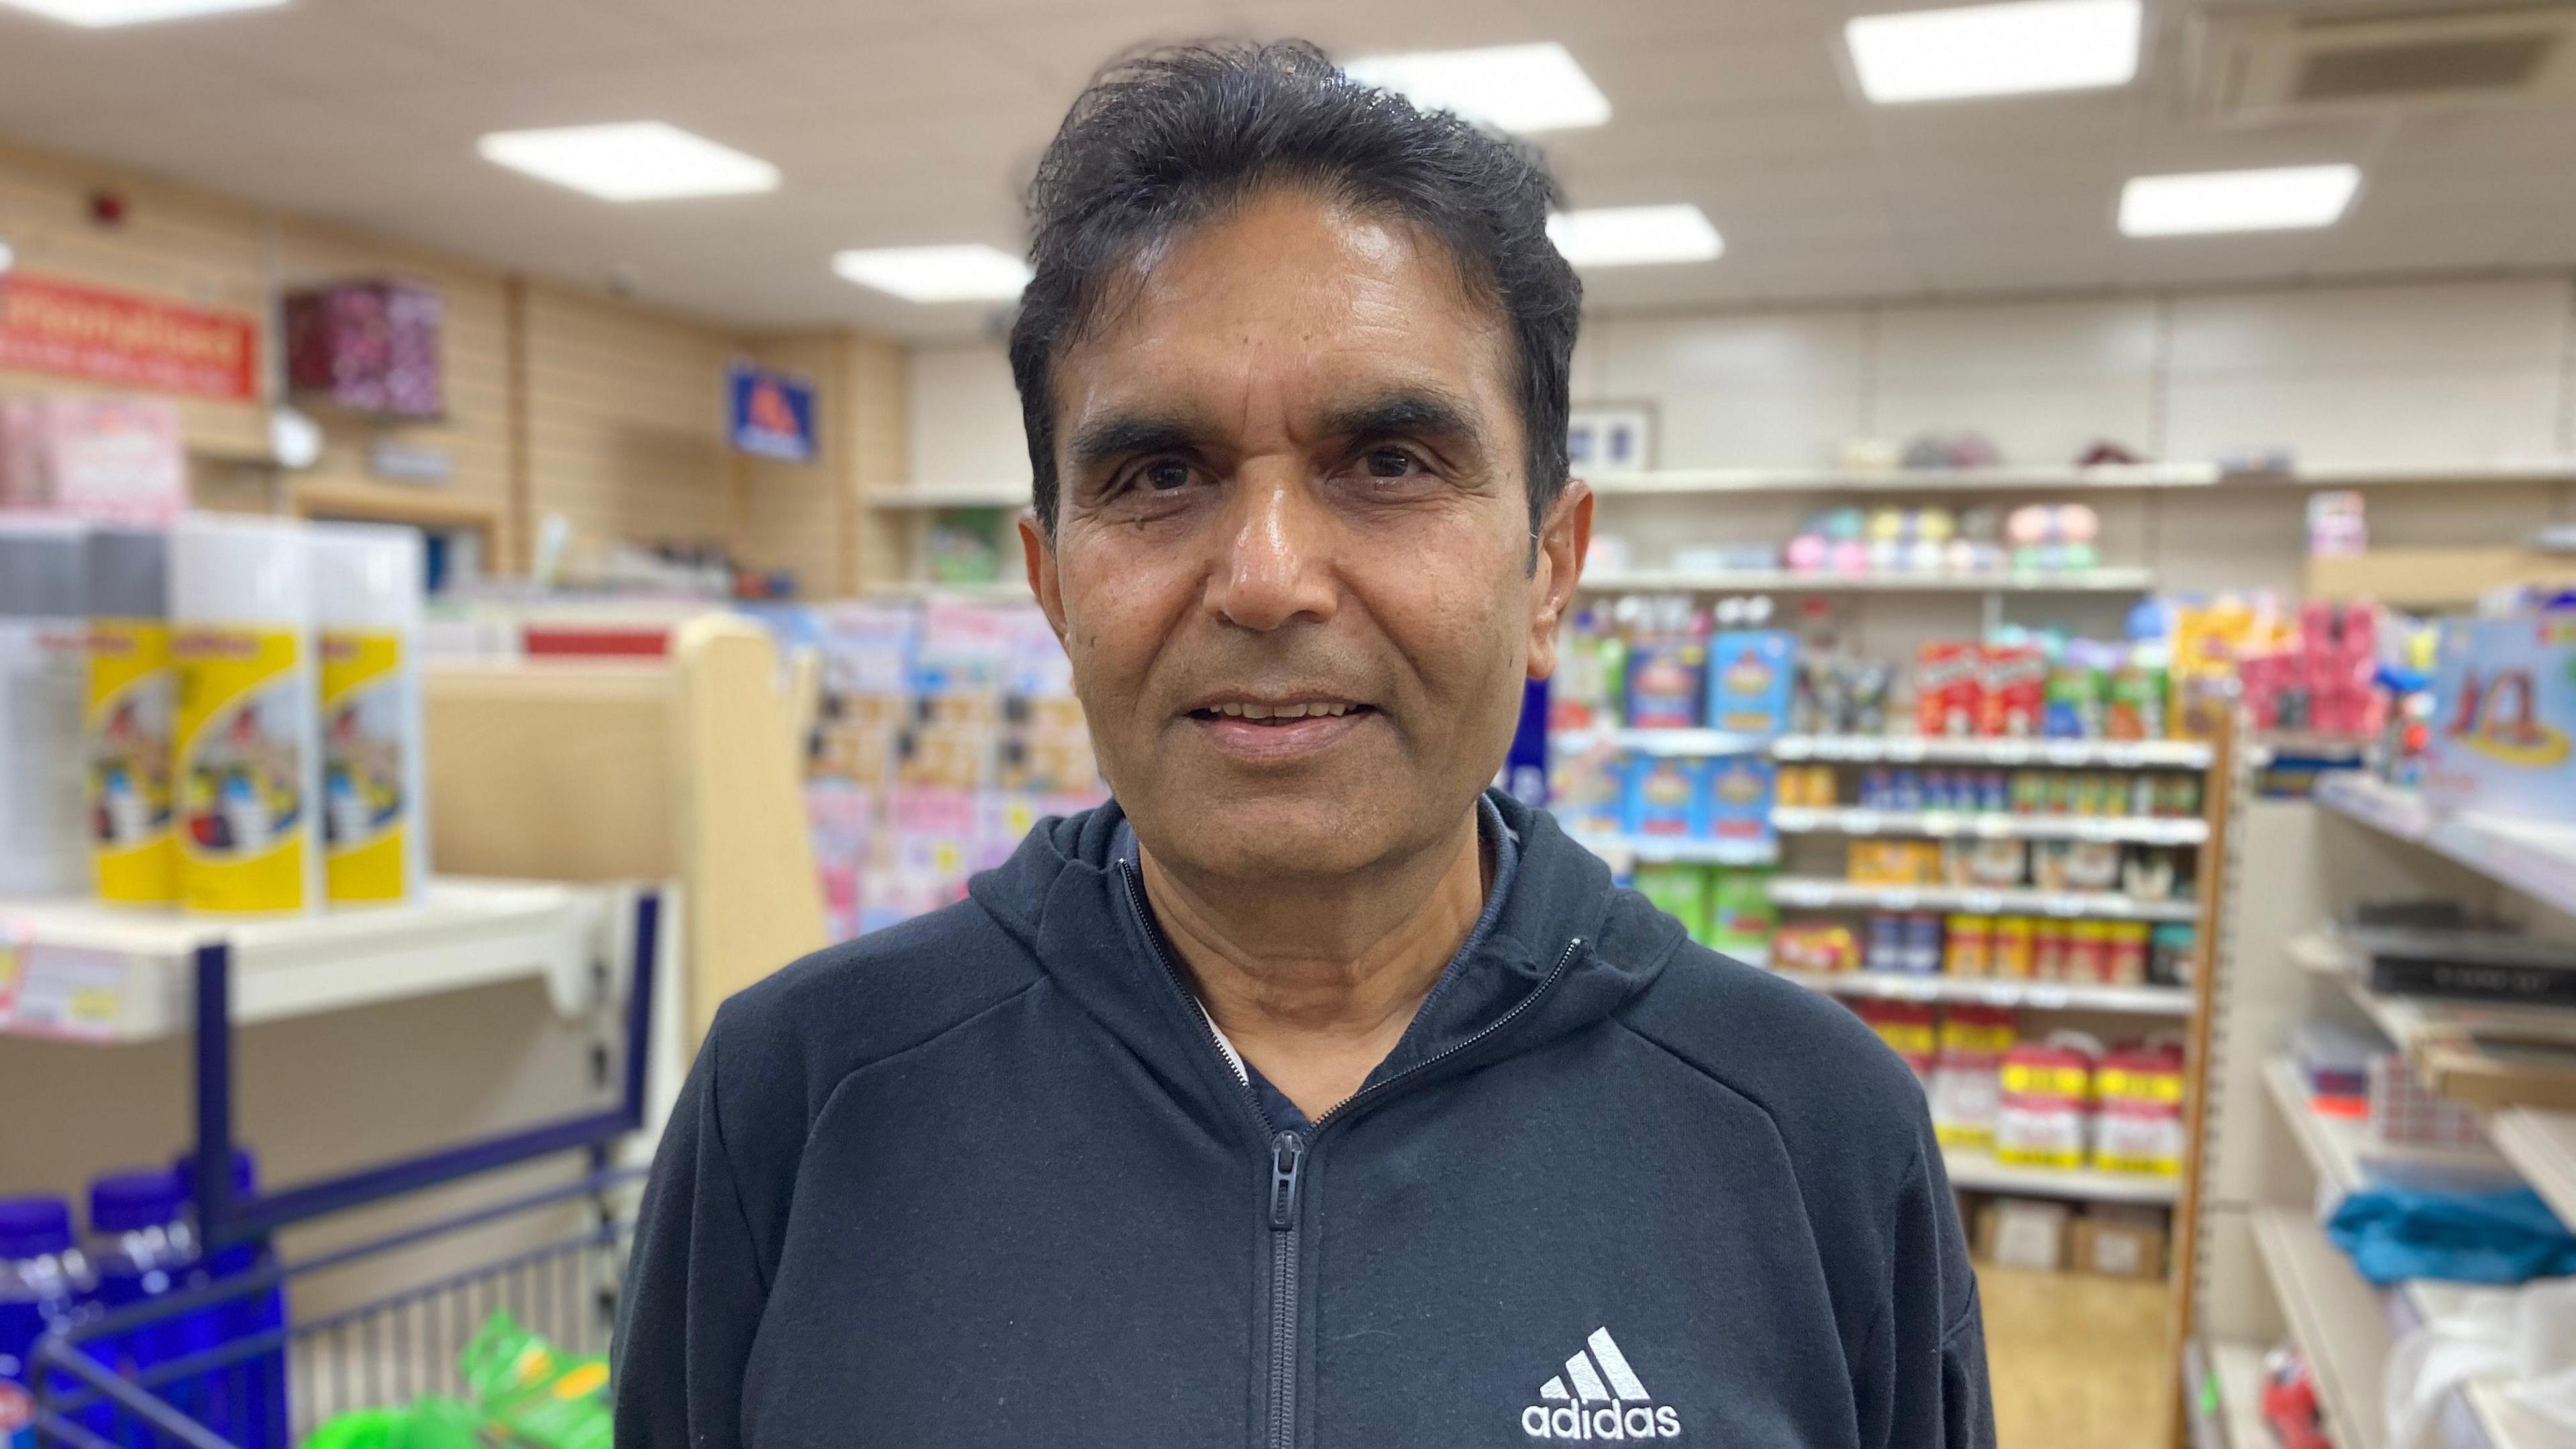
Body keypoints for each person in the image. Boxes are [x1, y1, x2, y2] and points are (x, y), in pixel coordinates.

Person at [614, 40, 1991, 1449]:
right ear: (1052, 586)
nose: (1268, 578)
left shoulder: (1810, 1130)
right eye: (1159, 475)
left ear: (1551, 570)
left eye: (1388, 464)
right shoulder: (798, 1101)